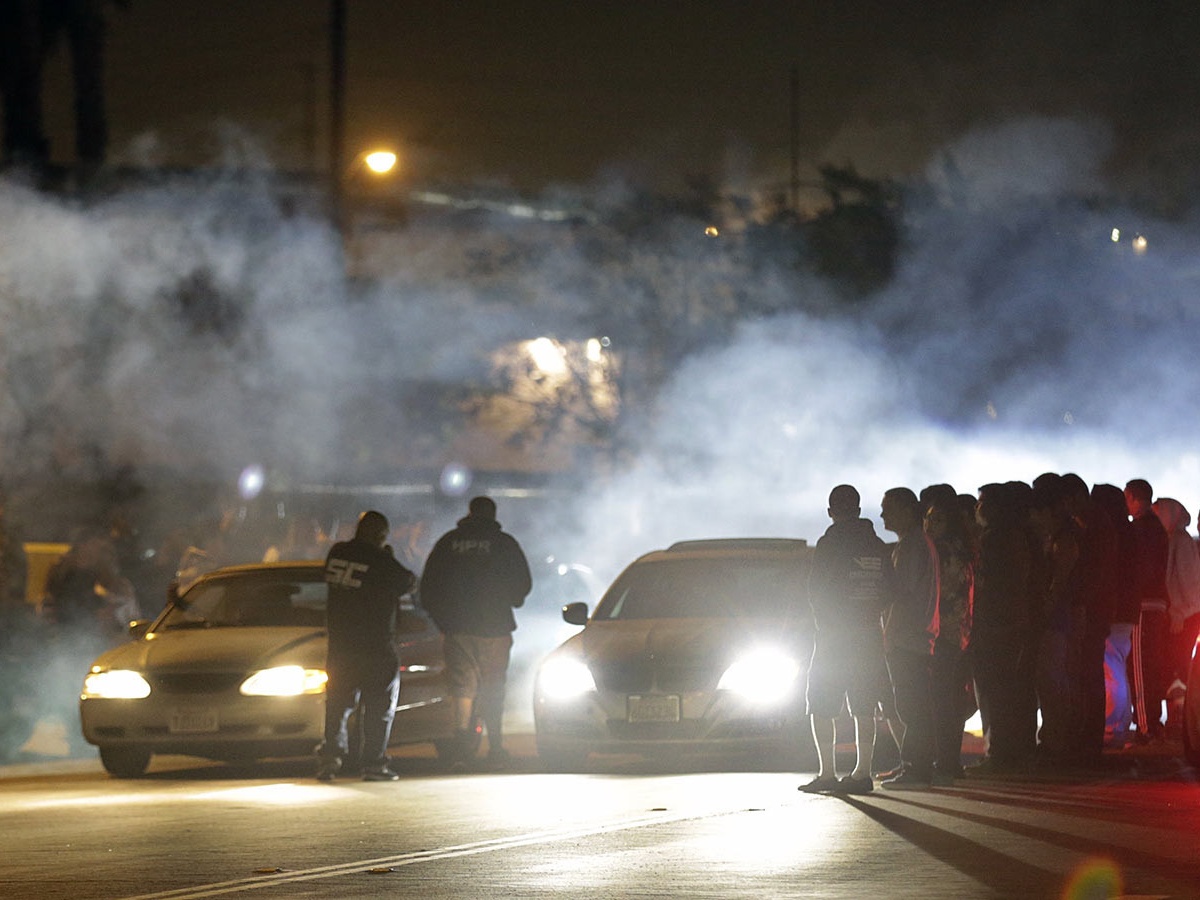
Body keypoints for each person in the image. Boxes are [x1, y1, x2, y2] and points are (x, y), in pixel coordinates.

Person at [419, 495, 532, 769]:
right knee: (494, 685)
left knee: (462, 687)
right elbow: (523, 583)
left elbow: (428, 587)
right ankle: (495, 748)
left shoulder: (448, 543)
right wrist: (511, 601)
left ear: (469, 513)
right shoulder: (505, 544)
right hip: (495, 628)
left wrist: (443, 621)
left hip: (458, 629)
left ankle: (462, 747)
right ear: (493, 515)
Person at [797, 485, 889, 795]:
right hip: (868, 634)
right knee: (864, 704)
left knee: (821, 703)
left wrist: (825, 623)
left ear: (830, 512)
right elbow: (888, 589)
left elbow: (817, 590)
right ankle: (862, 773)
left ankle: (827, 773)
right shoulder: (877, 545)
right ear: (860, 511)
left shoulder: (829, 543)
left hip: (835, 637)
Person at [317, 510, 416, 782]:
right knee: (378, 706)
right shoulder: (381, 560)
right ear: (381, 535)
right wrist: (389, 554)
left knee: (337, 703)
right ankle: (374, 764)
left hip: (341, 645)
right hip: (376, 646)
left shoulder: (338, 553)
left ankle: (330, 759)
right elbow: (408, 581)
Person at [967, 482, 1036, 776]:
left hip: (994, 626)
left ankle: (997, 754)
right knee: (1015, 693)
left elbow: (986, 586)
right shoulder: (1023, 537)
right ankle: (1018, 752)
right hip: (1015, 625)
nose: (977, 508)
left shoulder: (994, 539)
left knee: (994, 694)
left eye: (982, 502)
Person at [879, 486, 941, 789]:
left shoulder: (911, 547)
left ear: (906, 510)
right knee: (912, 703)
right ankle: (912, 765)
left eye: (887, 509)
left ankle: (916, 770)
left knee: (911, 705)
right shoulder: (920, 543)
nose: (882, 515)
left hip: (909, 637)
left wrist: (889, 633)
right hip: (919, 635)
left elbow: (900, 595)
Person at [922, 484, 976, 781]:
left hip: (942, 634)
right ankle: (948, 761)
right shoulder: (964, 547)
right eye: (927, 519)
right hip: (959, 634)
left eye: (936, 520)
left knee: (940, 699)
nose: (929, 525)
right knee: (951, 698)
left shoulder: (941, 552)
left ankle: (942, 761)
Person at [1125, 479, 1170, 743]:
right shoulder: (1158, 528)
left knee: (1141, 667)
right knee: (1153, 664)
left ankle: (1146, 726)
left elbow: (1138, 568)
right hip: (1158, 602)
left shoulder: (1140, 529)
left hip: (1144, 602)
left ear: (1132, 497)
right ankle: (1152, 721)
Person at [1093, 483, 1137, 748]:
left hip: (1115, 609)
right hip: (1126, 609)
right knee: (1117, 665)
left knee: (1111, 668)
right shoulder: (1129, 530)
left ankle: (1112, 725)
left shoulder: (1112, 532)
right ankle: (1120, 723)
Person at [1152, 497, 1200, 737]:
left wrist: (1180, 612)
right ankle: (1176, 719)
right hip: (1179, 614)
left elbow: (1190, 582)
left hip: (1183, 616)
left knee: (1177, 668)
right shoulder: (1174, 540)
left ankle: (1178, 721)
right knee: (1174, 667)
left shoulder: (1180, 541)